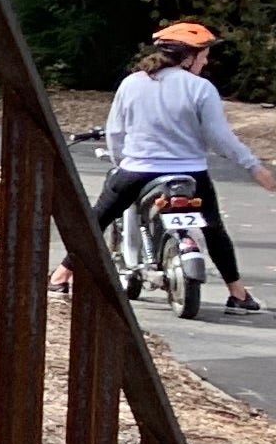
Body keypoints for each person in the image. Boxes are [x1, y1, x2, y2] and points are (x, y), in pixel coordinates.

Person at [61, 22, 271, 311]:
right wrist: (252, 166)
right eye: (204, 54)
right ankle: (237, 293)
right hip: (190, 175)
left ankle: (62, 275)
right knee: (213, 229)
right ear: (188, 57)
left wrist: (121, 161)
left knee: (97, 221)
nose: (206, 60)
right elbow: (219, 138)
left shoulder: (132, 83)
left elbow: (116, 132)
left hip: (136, 172)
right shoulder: (201, 88)